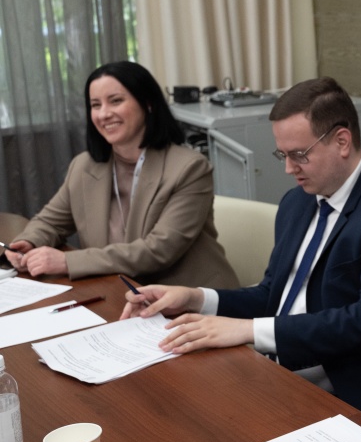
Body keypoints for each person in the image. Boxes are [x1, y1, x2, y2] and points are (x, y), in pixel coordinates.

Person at [121, 77, 361, 431]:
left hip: (353, 389)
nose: (288, 169)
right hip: (281, 371)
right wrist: (195, 299)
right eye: (283, 155)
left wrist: (248, 330)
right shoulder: (298, 202)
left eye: (299, 155)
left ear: (342, 141)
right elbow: (272, 295)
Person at [4, 61, 238, 289]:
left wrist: (68, 261)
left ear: (148, 103)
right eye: (95, 105)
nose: (104, 114)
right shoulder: (84, 166)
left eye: (115, 101)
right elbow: (50, 222)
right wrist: (29, 241)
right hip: (118, 290)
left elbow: (158, 250)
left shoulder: (190, 168)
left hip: (188, 297)